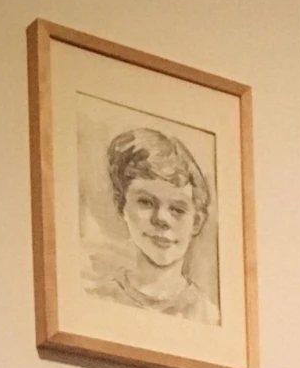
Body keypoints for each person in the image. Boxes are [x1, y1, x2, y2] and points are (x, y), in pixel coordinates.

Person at [85, 127, 217, 322]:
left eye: (177, 209)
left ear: (196, 222)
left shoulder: (208, 315)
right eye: (146, 202)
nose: (161, 219)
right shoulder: (95, 298)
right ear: (122, 206)